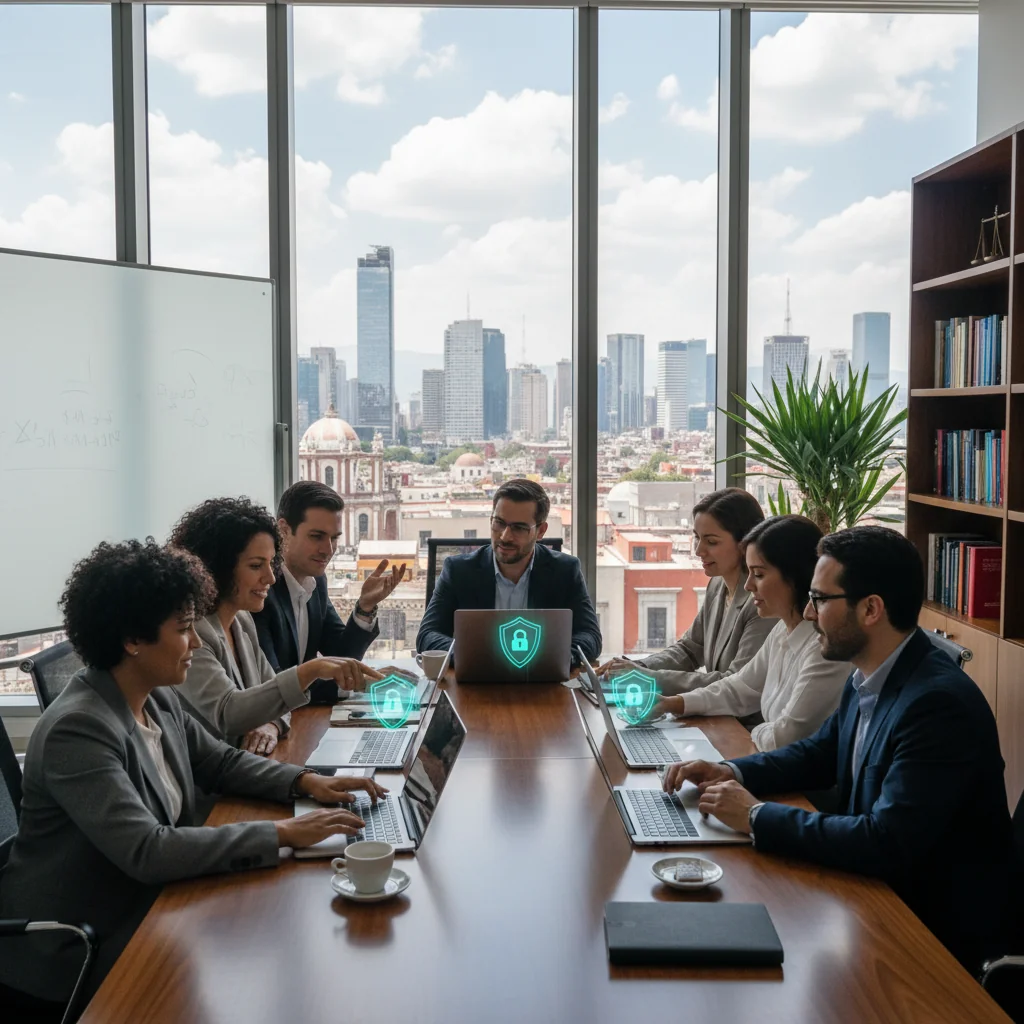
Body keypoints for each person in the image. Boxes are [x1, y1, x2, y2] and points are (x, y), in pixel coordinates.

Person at [0, 540, 386, 1015]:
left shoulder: (155, 695)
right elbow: (148, 850)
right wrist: (283, 833)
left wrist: (306, 782)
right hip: (79, 946)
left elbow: (220, 762)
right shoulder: (78, 729)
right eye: (184, 629)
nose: (198, 643)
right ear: (132, 639)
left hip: (151, 908)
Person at [662, 525, 1011, 971]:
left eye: (821, 600)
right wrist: (731, 771)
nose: (808, 612)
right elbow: (819, 753)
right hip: (874, 896)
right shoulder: (869, 672)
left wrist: (754, 815)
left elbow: (885, 842)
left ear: (871, 609)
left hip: (929, 935)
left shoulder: (937, 706)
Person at [171, 497, 383, 753]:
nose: (271, 577)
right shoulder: (191, 635)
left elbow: (274, 697)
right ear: (218, 567)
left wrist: (272, 723)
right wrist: (310, 671)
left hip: (250, 764)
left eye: (271, 564)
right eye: (255, 566)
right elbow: (230, 712)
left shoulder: (241, 621)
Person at [637, 515, 849, 750]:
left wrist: (749, 733)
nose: (748, 585)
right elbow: (737, 688)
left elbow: (783, 738)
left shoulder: (824, 648)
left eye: (758, 574)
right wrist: (671, 704)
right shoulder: (782, 630)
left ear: (795, 577)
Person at [596, 487, 774, 696]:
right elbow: (690, 649)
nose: (698, 551)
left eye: (711, 542)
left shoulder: (763, 602)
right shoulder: (717, 585)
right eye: (697, 538)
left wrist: (647, 678)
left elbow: (734, 683)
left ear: (744, 543)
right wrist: (637, 667)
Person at [415, 478, 601, 666]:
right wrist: (474, 654)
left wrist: (559, 657)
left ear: (541, 531)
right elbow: (427, 635)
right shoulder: (459, 571)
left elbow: (590, 636)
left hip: (542, 679)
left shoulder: (565, 571)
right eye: (499, 523)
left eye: (519, 528)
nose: (505, 536)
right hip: (478, 677)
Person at [253, 481, 407, 704]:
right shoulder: (261, 591)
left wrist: (365, 607)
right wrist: (361, 684)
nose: (328, 549)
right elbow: (273, 686)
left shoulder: (316, 581)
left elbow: (342, 656)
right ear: (284, 530)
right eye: (317, 536)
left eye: (334, 538)